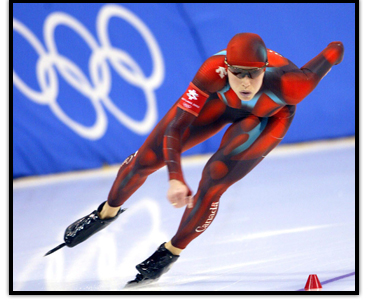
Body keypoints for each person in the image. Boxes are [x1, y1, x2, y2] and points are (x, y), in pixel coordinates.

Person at [45, 33, 344, 286]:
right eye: (237, 72)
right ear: (225, 68)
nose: (244, 81)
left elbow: (334, 51)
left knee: (214, 178)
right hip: (218, 102)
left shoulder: (293, 84)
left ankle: (170, 252)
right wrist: (175, 176)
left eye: (253, 73)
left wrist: (337, 48)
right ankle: (106, 213)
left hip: (268, 116)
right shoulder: (210, 72)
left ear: (265, 69)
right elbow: (176, 127)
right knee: (147, 159)